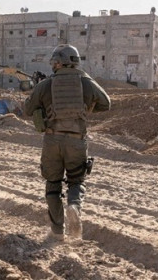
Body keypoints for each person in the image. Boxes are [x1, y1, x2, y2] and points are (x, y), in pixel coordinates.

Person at [23, 44, 110, 241]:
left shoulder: (46, 84)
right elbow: (106, 103)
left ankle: (57, 232)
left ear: (58, 62)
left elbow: (28, 109)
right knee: (76, 181)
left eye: (54, 62)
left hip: (52, 140)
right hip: (76, 140)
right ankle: (74, 206)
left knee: (53, 184)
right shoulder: (86, 81)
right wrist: (85, 108)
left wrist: (42, 95)